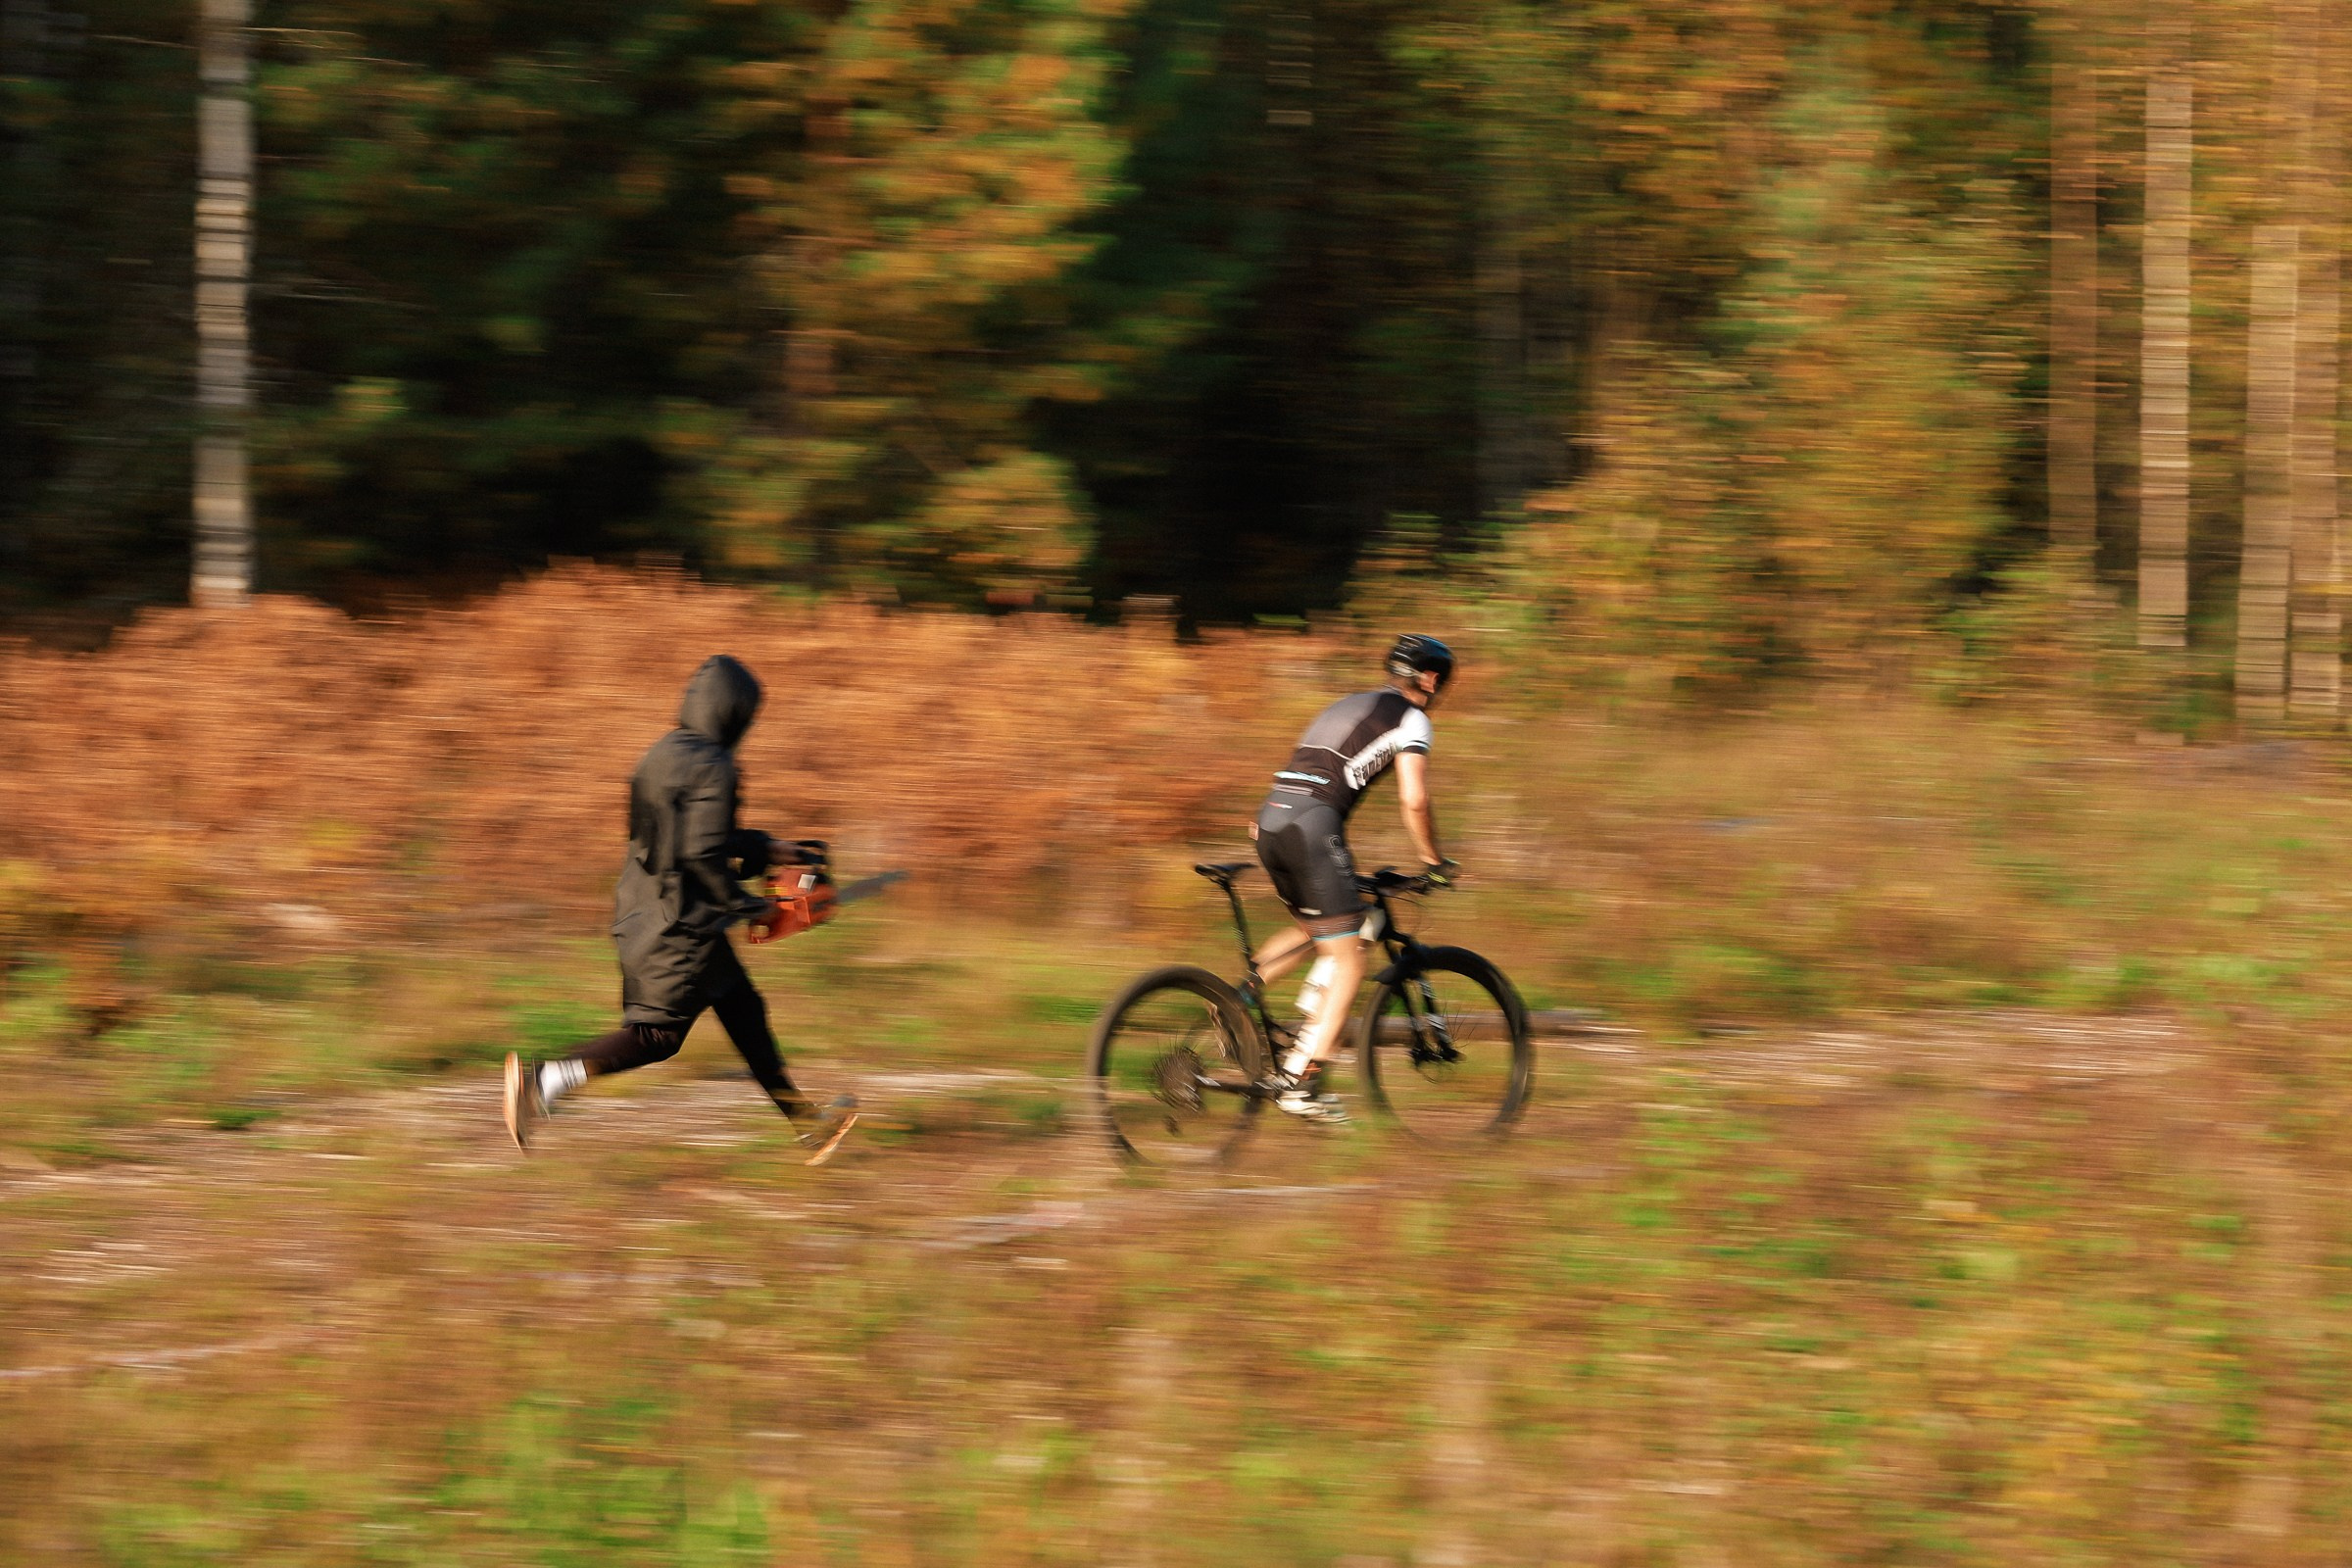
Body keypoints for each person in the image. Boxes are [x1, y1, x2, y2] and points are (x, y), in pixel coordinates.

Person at [502, 654, 858, 1162]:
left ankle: (807, 1124)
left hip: (652, 911)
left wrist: (769, 848)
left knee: (744, 1011)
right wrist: (751, 907)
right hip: (682, 926)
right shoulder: (716, 765)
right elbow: (701, 853)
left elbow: (691, 838)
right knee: (657, 1037)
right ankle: (543, 1081)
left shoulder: (662, 753)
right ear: (734, 713)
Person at [1250, 633, 1458, 1122]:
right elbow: (1414, 800)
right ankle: (1304, 1085)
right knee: (1349, 958)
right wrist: (1434, 862)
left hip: (1270, 822)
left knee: (1316, 929)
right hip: (1312, 828)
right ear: (1430, 679)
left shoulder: (1349, 703)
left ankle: (1233, 1003)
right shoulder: (1413, 718)